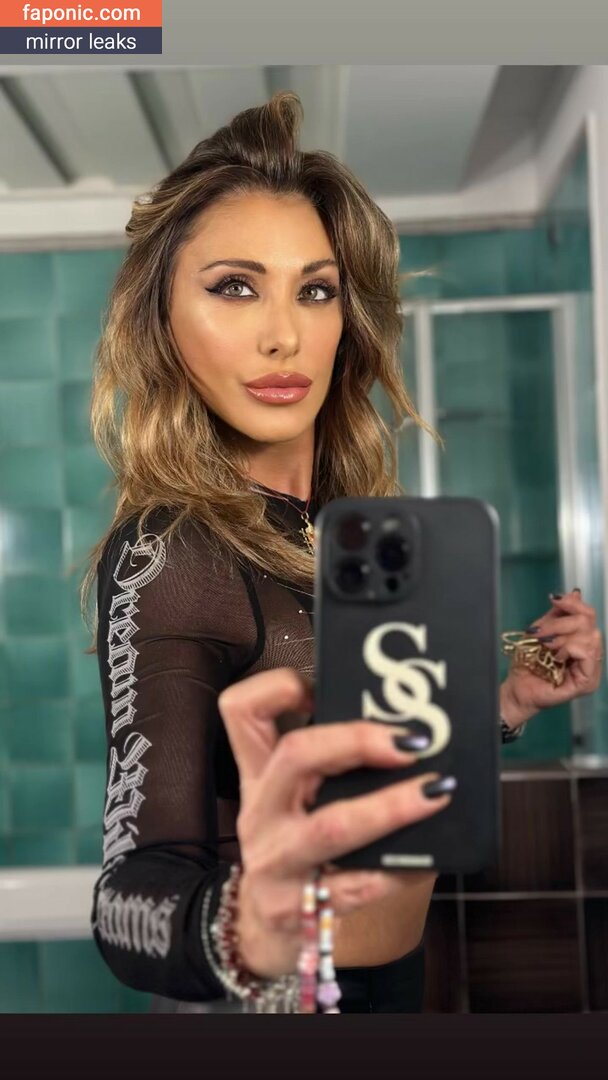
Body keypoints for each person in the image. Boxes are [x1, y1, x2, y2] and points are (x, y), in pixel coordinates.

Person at [81, 92, 603, 1013]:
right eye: (234, 286)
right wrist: (247, 923)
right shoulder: (174, 550)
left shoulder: (351, 527)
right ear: (163, 320)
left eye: (314, 289)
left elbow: (381, 765)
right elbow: (129, 893)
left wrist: (508, 702)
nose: (283, 333)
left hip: (394, 988)